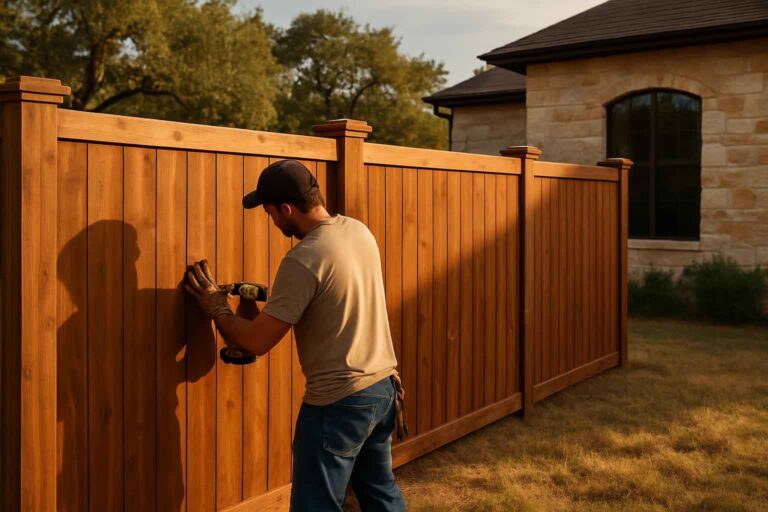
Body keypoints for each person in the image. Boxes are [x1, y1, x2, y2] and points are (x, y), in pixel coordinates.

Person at [184, 159, 407, 511]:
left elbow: (257, 341)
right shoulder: (357, 231)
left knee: (314, 505)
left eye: (271, 212)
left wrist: (217, 307)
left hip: (339, 402)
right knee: (382, 495)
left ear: (286, 208)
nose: (272, 221)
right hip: (382, 390)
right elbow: (330, 293)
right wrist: (260, 301)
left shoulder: (302, 259)